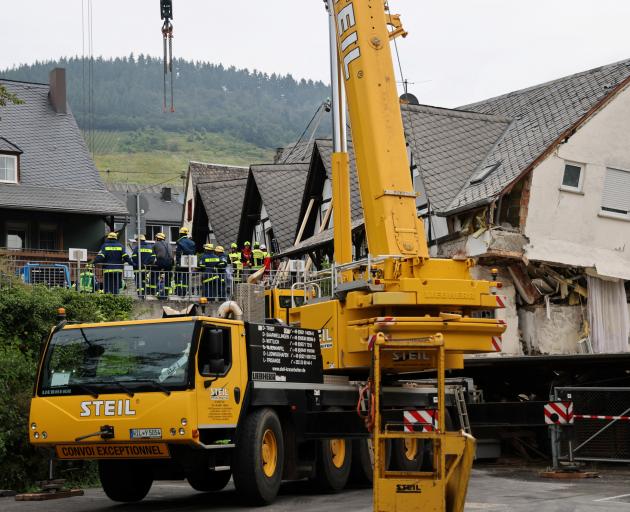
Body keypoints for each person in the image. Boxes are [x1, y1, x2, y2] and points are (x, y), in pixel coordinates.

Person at [174, 227, 196, 297]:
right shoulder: (192, 242)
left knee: (177, 276)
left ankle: (178, 291)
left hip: (181, 262)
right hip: (189, 263)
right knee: (185, 277)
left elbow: (178, 253)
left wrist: (177, 261)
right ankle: (184, 291)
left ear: (180, 233)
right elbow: (193, 252)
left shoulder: (179, 241)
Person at [152, 232, 173, 299]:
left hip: (161, 261)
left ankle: (153, 291)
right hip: (170, 263)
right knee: (168, 277)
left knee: (154, 274)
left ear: (158, 238)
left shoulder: (155, 244)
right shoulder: (169, 245)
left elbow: (152, 255)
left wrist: (151, 263)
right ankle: (166, 293)